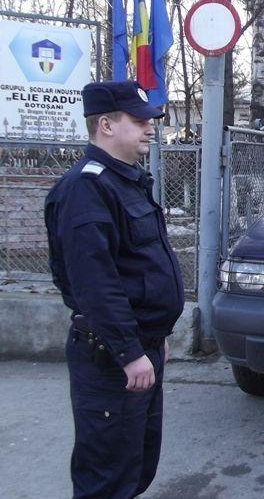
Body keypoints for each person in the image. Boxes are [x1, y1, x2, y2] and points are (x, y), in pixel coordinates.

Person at [44, 81, 185, 499]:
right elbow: (94, 285)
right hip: (110, 359)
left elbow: (136, 267)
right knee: (107, 478)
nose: (150, 128)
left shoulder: (126, 181)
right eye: (139, 121)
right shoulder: (85, 189)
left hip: (140, 348)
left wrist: (155, 337)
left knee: (135, 467)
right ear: (105, 125)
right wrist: (128, 352)